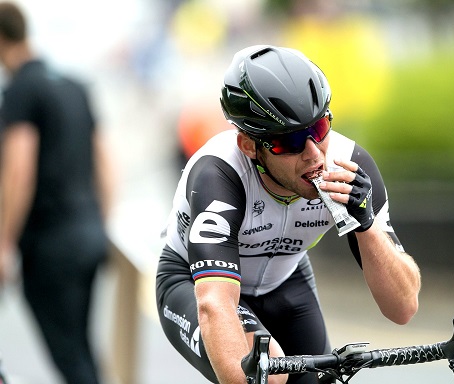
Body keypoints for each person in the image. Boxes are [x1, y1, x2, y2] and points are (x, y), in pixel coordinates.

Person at [156, 45, 421, 384]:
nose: (314, 154)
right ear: (250, 146)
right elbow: (215, 304)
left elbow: (402, 307)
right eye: (290, 141)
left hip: (284, 280)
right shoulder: (220, 175)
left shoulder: (347, 164)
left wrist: (366, 224)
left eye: (320, 128)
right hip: (192, 283)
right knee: (264, 375)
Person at [0, 2, 114, 383]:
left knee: (70, 357)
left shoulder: (21, 90)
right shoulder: (73, 85)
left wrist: (3, 241)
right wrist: (103, 224)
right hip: (87, 233)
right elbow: (105, 162)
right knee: (81, 350)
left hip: (49, 244)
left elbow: (19, 170)